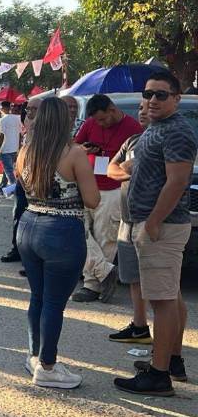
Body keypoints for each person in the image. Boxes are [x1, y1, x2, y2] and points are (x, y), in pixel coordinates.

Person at [114, 71, 197, 396]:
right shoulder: (157, 128)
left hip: (161, 226)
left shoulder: (177, 132)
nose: (152, 100)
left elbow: (177, 182)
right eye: (148, 94)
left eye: (161, 95)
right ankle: (168, 359)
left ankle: (159, 375)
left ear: (176, 98)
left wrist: (152, 222)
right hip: (151, 223)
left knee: (162, 301)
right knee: (170, 296)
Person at [15, 97, 100, 389]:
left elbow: (21, 187)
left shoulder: (25, 151)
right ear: (65, 121)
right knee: (53, 302)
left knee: (37, 297)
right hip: (61, 231)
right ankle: (48, 367)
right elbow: (92, 200)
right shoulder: (74, 154)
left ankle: (35, 356)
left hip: (28, 226)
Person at [71, 94, 142, 303]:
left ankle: (92, 285)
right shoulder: (90, 123)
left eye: (102, 119)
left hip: (113, 188)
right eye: (96, 120)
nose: (99, 124)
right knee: (78, 231)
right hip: (86, 184)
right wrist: (84, 149)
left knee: (105, 236)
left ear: (112, 109)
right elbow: (74, 146)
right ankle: (105, 271)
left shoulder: (133, 128)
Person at [107, 100, 152, 345]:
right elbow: (112, 170)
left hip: (151, 221)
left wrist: (132, 167)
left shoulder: (166, 139)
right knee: (133, 277)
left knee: (161, 286)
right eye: (141, 107)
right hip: (128, 218)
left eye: (149, 105)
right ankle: (139, 325)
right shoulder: (132, 141)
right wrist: (132, 168)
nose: (144, 110)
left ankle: (170, 351)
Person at [1, 99, 40, 264]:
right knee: (18, 214)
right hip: (22, 178)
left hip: (38, 180)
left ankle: (32, 256)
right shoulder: (26, 124)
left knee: (35, 218)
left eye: (34, 109)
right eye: (28, 108)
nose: (29, 111)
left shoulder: (47, 129)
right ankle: (17, 249)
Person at [0, 100, 22, 198]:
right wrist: (19, 147)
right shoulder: (17, 118)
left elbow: (1, 136)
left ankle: (14, 191)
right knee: (7, 170)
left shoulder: (3, 120)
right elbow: (20, 134)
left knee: (9, 171)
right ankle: (1, 190)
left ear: (2, 108)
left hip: (6, 149)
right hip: (15, 148)